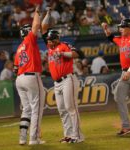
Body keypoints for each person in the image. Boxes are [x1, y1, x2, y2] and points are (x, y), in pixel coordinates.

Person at [41, 9, 84, 143]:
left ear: (56, 39)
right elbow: (43, 27)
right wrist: (47, 14)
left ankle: (78, 136)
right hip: (57, 82)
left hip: (68, 79)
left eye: (50, 40)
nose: (48, 42)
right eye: (48, 40)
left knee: (71, 108)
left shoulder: (64, 45)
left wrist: (63, 54)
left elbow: (78, 54)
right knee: (62, 110)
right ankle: (68, 135)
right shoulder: (50, 48)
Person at [101, 18, 130, 135]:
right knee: (119, 97)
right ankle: (127, 127)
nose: (120, 29)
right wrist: (106, 29)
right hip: (124, 73)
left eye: (122, 27)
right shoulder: (122, 39)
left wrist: (129, 72)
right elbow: (111, 37)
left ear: (129, 27)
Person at [14, 5, 45, 145]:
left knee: (26, 109)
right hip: (31, 76)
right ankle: (34, 138)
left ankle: (22, 137)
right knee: (36, 108)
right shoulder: (29, 40)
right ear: (27, 32)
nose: (35, 32)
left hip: (19, 78)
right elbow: (37, 24)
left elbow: (15, 68)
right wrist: (37, 11)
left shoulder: (19, 48)